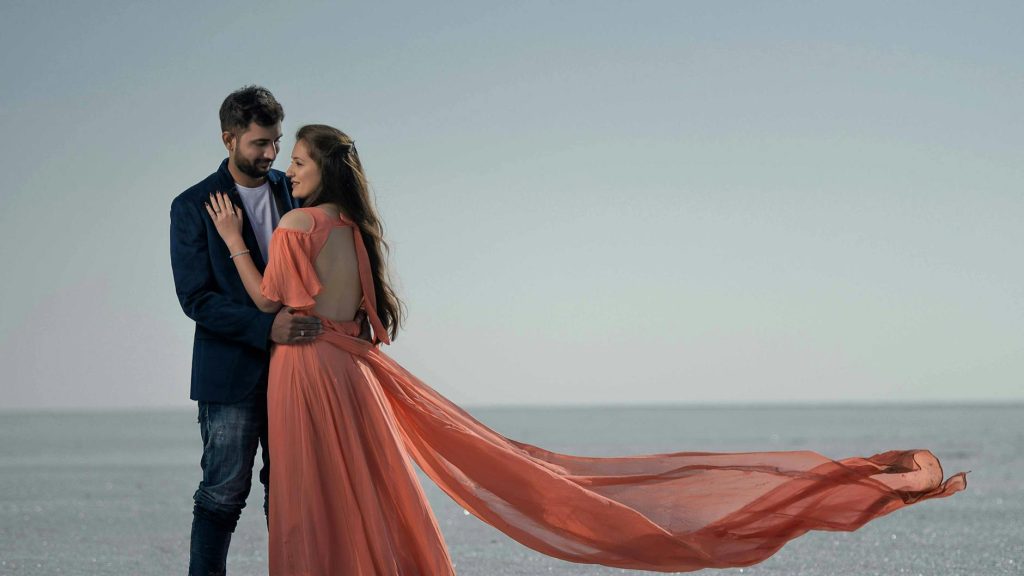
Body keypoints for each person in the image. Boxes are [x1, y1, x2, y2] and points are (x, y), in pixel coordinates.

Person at [205, 123, 967, 575]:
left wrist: (237, 240)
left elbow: (270, 301)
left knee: (315, 501)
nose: (290, 172)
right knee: (363, 493)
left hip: (308, 375)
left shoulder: (298, 228)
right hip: (354, 378)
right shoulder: (353, 234)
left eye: (298, 162)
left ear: (324, 168)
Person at [170, 86, 325, 576]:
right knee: (222, 494)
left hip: (296, 368)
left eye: (277, 141)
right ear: (228, 139)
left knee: (290, 492)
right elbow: (196, 298)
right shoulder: (192, 205)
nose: (271, 153)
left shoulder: (294, 189)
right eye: (260, 143)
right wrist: (266, 327)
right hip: (229, 374)